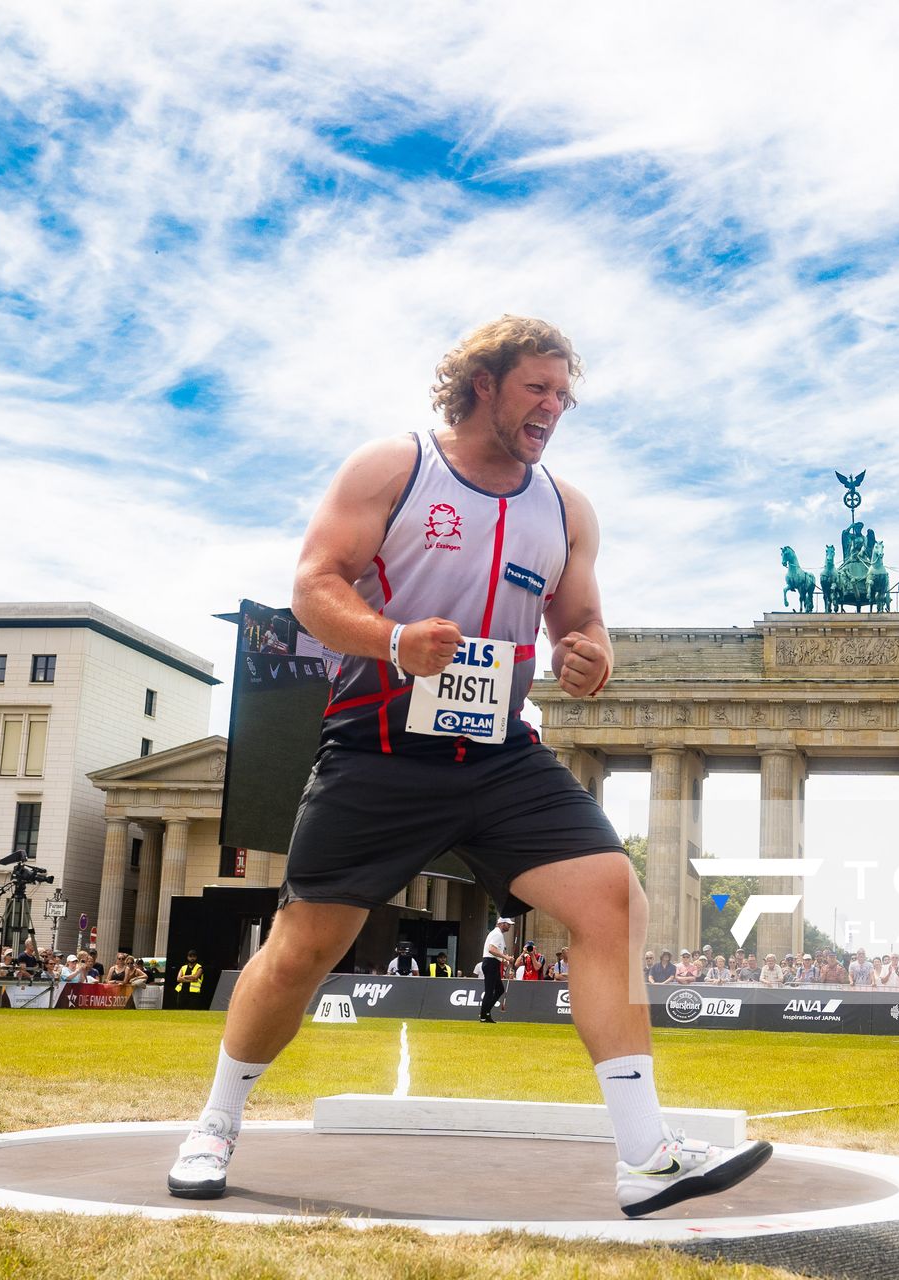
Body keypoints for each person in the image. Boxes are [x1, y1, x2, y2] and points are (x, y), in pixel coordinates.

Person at [165, 318, 769, 1215]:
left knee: (613, 896)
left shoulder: (566, 508)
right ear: (483, 382)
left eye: (564, 396)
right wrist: (394, 639)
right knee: (304, 948)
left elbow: (582, 619)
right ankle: (216, 1121)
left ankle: (645, 1155)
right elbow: (314, 585)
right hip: (378, 749)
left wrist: (588, 655)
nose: (553, 410)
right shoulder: (393, 468)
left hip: (497, 755)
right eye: (537, 389)